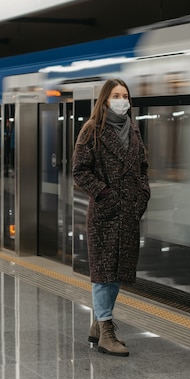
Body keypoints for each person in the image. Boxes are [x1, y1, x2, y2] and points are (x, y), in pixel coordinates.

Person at [72, 78, 151, 357]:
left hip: (128, 212)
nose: (121, 100)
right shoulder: (92, 130)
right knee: (103, 272)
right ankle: (106, 330)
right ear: (105, 100)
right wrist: (104, 194)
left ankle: (99, 323)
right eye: (116, 95)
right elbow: (80, 171)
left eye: (125, 95)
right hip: (105, 214)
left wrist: (142, 195)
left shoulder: (134, 132)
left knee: (118, 272)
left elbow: (142, 167)